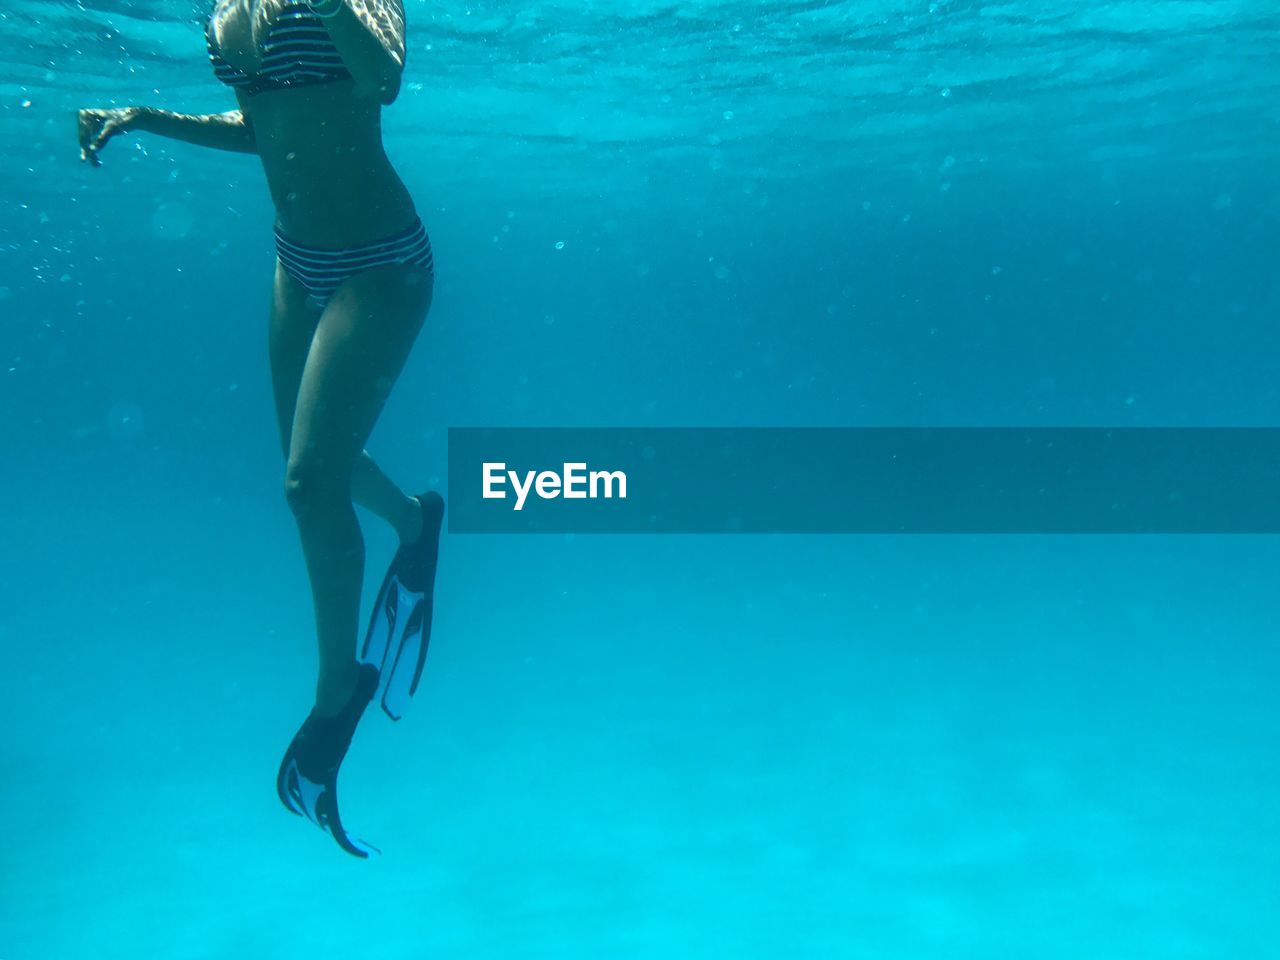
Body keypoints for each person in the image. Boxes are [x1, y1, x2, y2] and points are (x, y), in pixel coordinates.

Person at [77, 0, 443, 858]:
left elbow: (382, 79)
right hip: (296, 260)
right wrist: (145, 117)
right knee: (316, 463)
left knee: (308, 482)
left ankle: (334, 696)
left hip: (381, 260)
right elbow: (266, 128)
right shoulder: (226, 7)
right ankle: (417, 522)